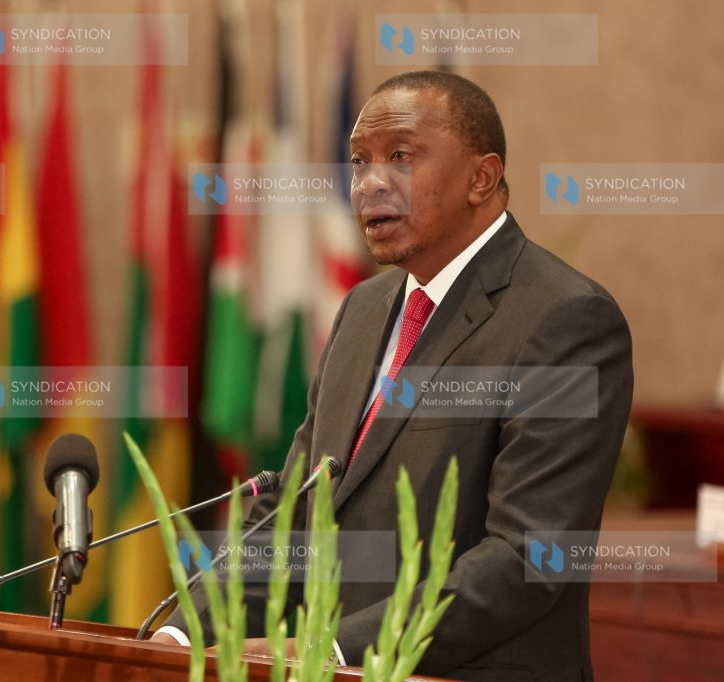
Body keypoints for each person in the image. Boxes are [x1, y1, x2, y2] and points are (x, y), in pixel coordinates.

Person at [153, 70, 633, 682]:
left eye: (400, 157)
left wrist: (330, 649)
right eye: (359, 162)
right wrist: (181, 633)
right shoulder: (363, 309)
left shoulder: (565, 318)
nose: (371, 183)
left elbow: (525, 557)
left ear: (481, 178)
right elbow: (294, 510)